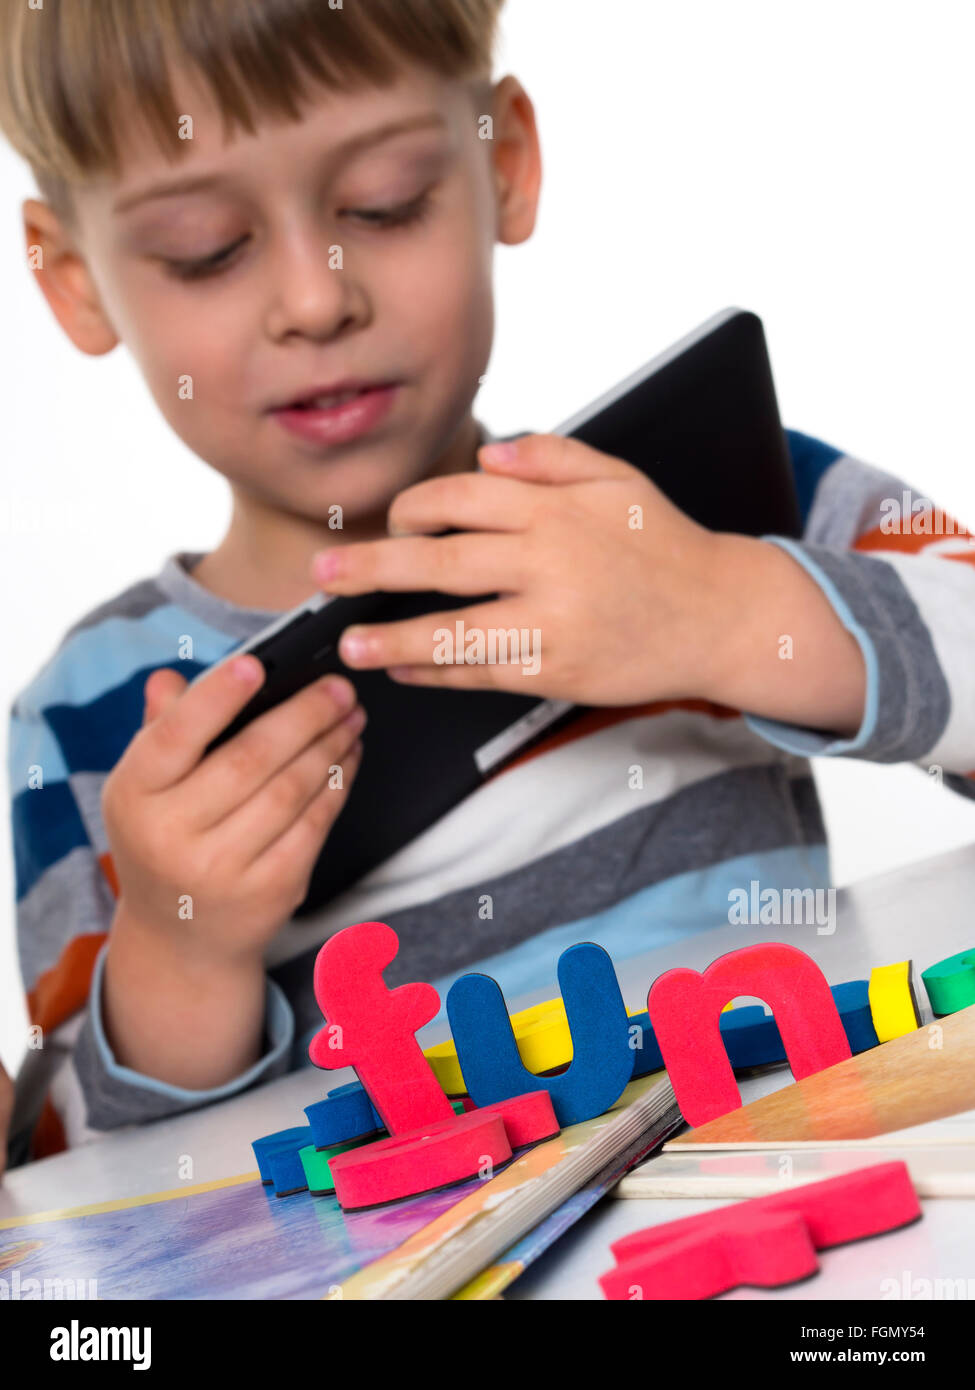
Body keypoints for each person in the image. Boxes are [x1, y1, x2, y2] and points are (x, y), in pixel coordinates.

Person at [2, 0, 973, 1162]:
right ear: (75, 281)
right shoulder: (85, 719)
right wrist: (180, 944)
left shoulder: (689, 506)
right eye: (206, 247)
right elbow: (70, 1186)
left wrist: (728, 612)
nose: (316, 301)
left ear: (502, 162)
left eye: (387, 200)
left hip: (791, 1219)